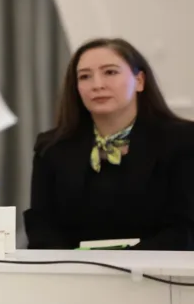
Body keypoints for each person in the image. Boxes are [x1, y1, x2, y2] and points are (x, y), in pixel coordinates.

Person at [24, 38, 194, 250]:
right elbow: (42, 226)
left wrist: (120, 262)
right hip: (73, 268)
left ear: (139, 81)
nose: (97, 85)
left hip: (158, 267)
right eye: (85, 76)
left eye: (110, 72)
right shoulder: (52, 147)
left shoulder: (183, 140)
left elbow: (184, 230)